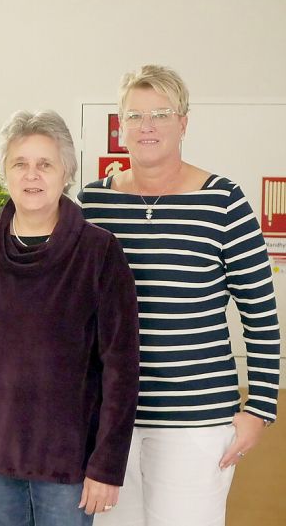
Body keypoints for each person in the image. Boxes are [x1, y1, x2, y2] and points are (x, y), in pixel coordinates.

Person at [79, 65, 281, 526]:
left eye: (161, 114)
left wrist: (260, 409)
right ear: (120, 126)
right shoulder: (93, 204)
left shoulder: (224, 202)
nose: (147, 126)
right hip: (110, 420)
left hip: (196, 421)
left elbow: (261, 314)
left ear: (184, 123)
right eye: (135, 116)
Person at [0, 110, 141, 526]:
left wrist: (107, 465)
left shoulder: (99, 253)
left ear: (66, 172)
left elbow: (122, 369)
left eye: (45, 164)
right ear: (4, 172)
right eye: (20, 164)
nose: (32, 175)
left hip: (69, 466)